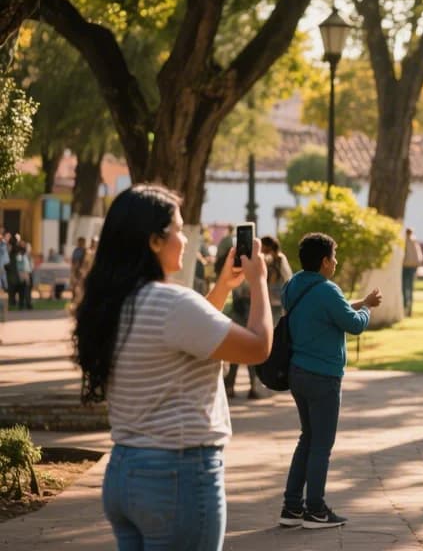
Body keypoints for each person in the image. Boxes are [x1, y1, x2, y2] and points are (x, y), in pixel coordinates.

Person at [72, 184, 273, 551]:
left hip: (125, 473)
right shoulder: (171, 302)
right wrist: (259, 282)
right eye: (179, 229)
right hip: (177, 472)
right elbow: (258, 347)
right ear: (153, 241)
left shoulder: (114, 302)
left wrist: (224, 287)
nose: (184, 238)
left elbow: (188, 336)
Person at [279, 232, 382, 529]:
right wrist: (366, 310)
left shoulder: (294, 284)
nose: (335, 262)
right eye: (334, 257)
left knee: (307, 438)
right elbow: (353, 324)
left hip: (297, 373)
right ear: (325, 261)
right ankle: (315, 509)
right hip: (323, 377)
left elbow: (325, 310)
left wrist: (360, 302)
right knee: (321, 445)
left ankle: (291, 507)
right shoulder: (327, 289)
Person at [262, 235, 293, 323]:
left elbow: (286, 278)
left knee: (276, 324)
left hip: (277, 300)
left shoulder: (279, 259)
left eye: (264, 249)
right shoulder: (268, 260)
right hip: (269, 299)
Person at [402, 227, 423, 317]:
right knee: (408, 289)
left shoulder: (405, 241)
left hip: (406, 268)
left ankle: (407, 307)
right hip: (411, 268)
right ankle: (408, 308)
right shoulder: (414, 241)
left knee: (405, 289)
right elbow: (419, 257)